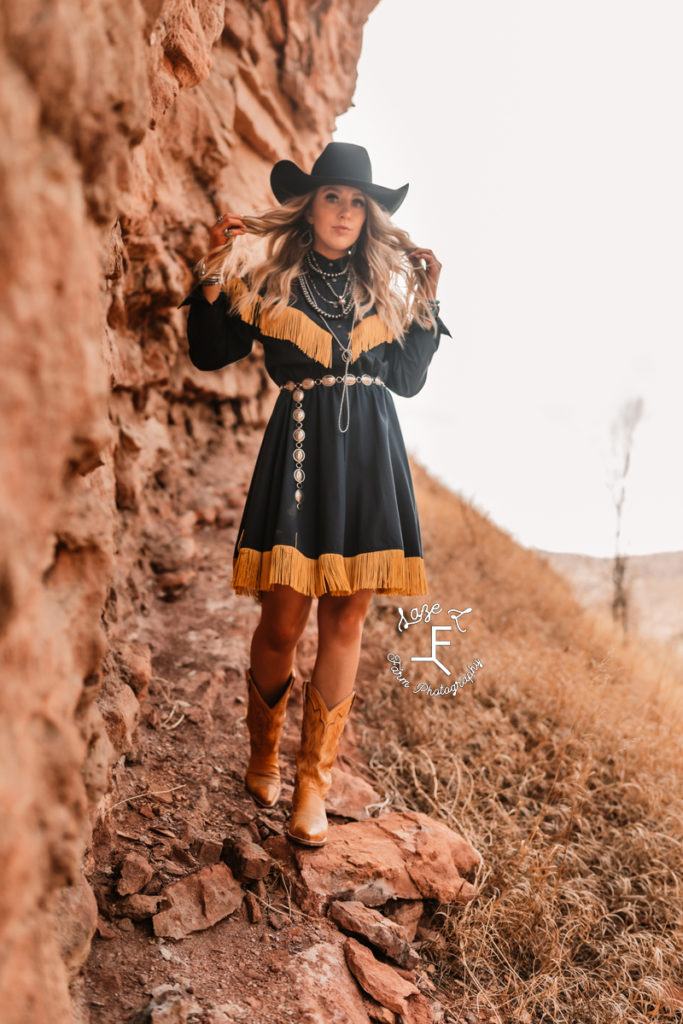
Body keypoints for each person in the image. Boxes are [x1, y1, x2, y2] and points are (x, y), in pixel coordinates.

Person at [179, 142, 450, 846]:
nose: (345, 211)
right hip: (299, 452)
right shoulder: (270, 282)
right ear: (310, 205)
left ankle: (312, 784)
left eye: (358, 202)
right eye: (333, 196)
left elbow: (409, 379)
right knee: (281, 622)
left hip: (369, 457)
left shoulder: (384, 296)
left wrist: (427, 297)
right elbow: (210, 351)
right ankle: (263, 750)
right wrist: (210, 273)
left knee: (348, 618)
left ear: (369, 217)